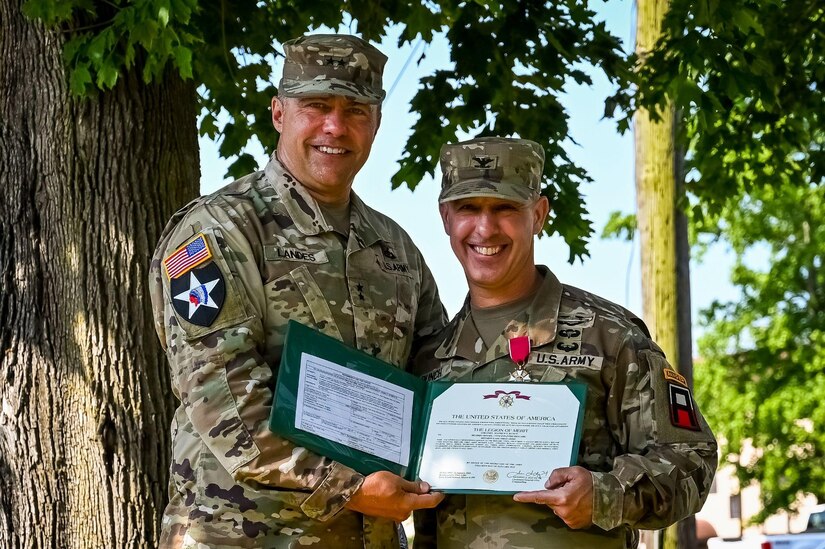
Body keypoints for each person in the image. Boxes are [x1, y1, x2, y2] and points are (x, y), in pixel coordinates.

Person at [148, 34, 446, 548]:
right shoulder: (217, 232)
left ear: (374, 125)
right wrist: (348, 488)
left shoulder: (394, 249)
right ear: (279, 112)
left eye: (355, 110)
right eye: (316, 105)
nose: (335, 126)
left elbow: (435, 379)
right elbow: (224, 401)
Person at [411, 137, 718, 548]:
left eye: (505, 208)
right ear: (446, 217)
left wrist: (606, 494)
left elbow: (693, 460)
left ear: (538, 215)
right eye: (468, 208)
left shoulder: (610, 336)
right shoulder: (431, 360)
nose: (485, 228)